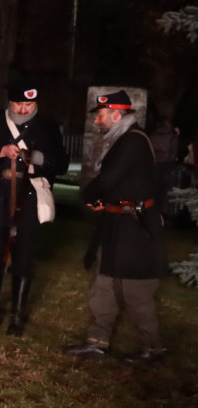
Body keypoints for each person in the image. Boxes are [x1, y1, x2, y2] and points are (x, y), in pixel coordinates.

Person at [65, 90, 168, 363]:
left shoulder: (131, 141)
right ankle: (97, 341)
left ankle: (152, 348)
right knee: (104, 283)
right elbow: (122, 188)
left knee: (135, 292)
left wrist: (89, 195)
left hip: (135, 230)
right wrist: (108, 205)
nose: (97, 122)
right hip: (118, 223)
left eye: (99, 116)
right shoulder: (123, 139)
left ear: (115, 114)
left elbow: (110, 180)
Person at [0, 83, 68, 336]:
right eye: (18, 104)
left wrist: (38, 158)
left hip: (29, 198)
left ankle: (17, 317)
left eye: (29, 105)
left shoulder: (48, 126)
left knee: (23, 259)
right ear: (9, 102)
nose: (23, 109)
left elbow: (61, 163)